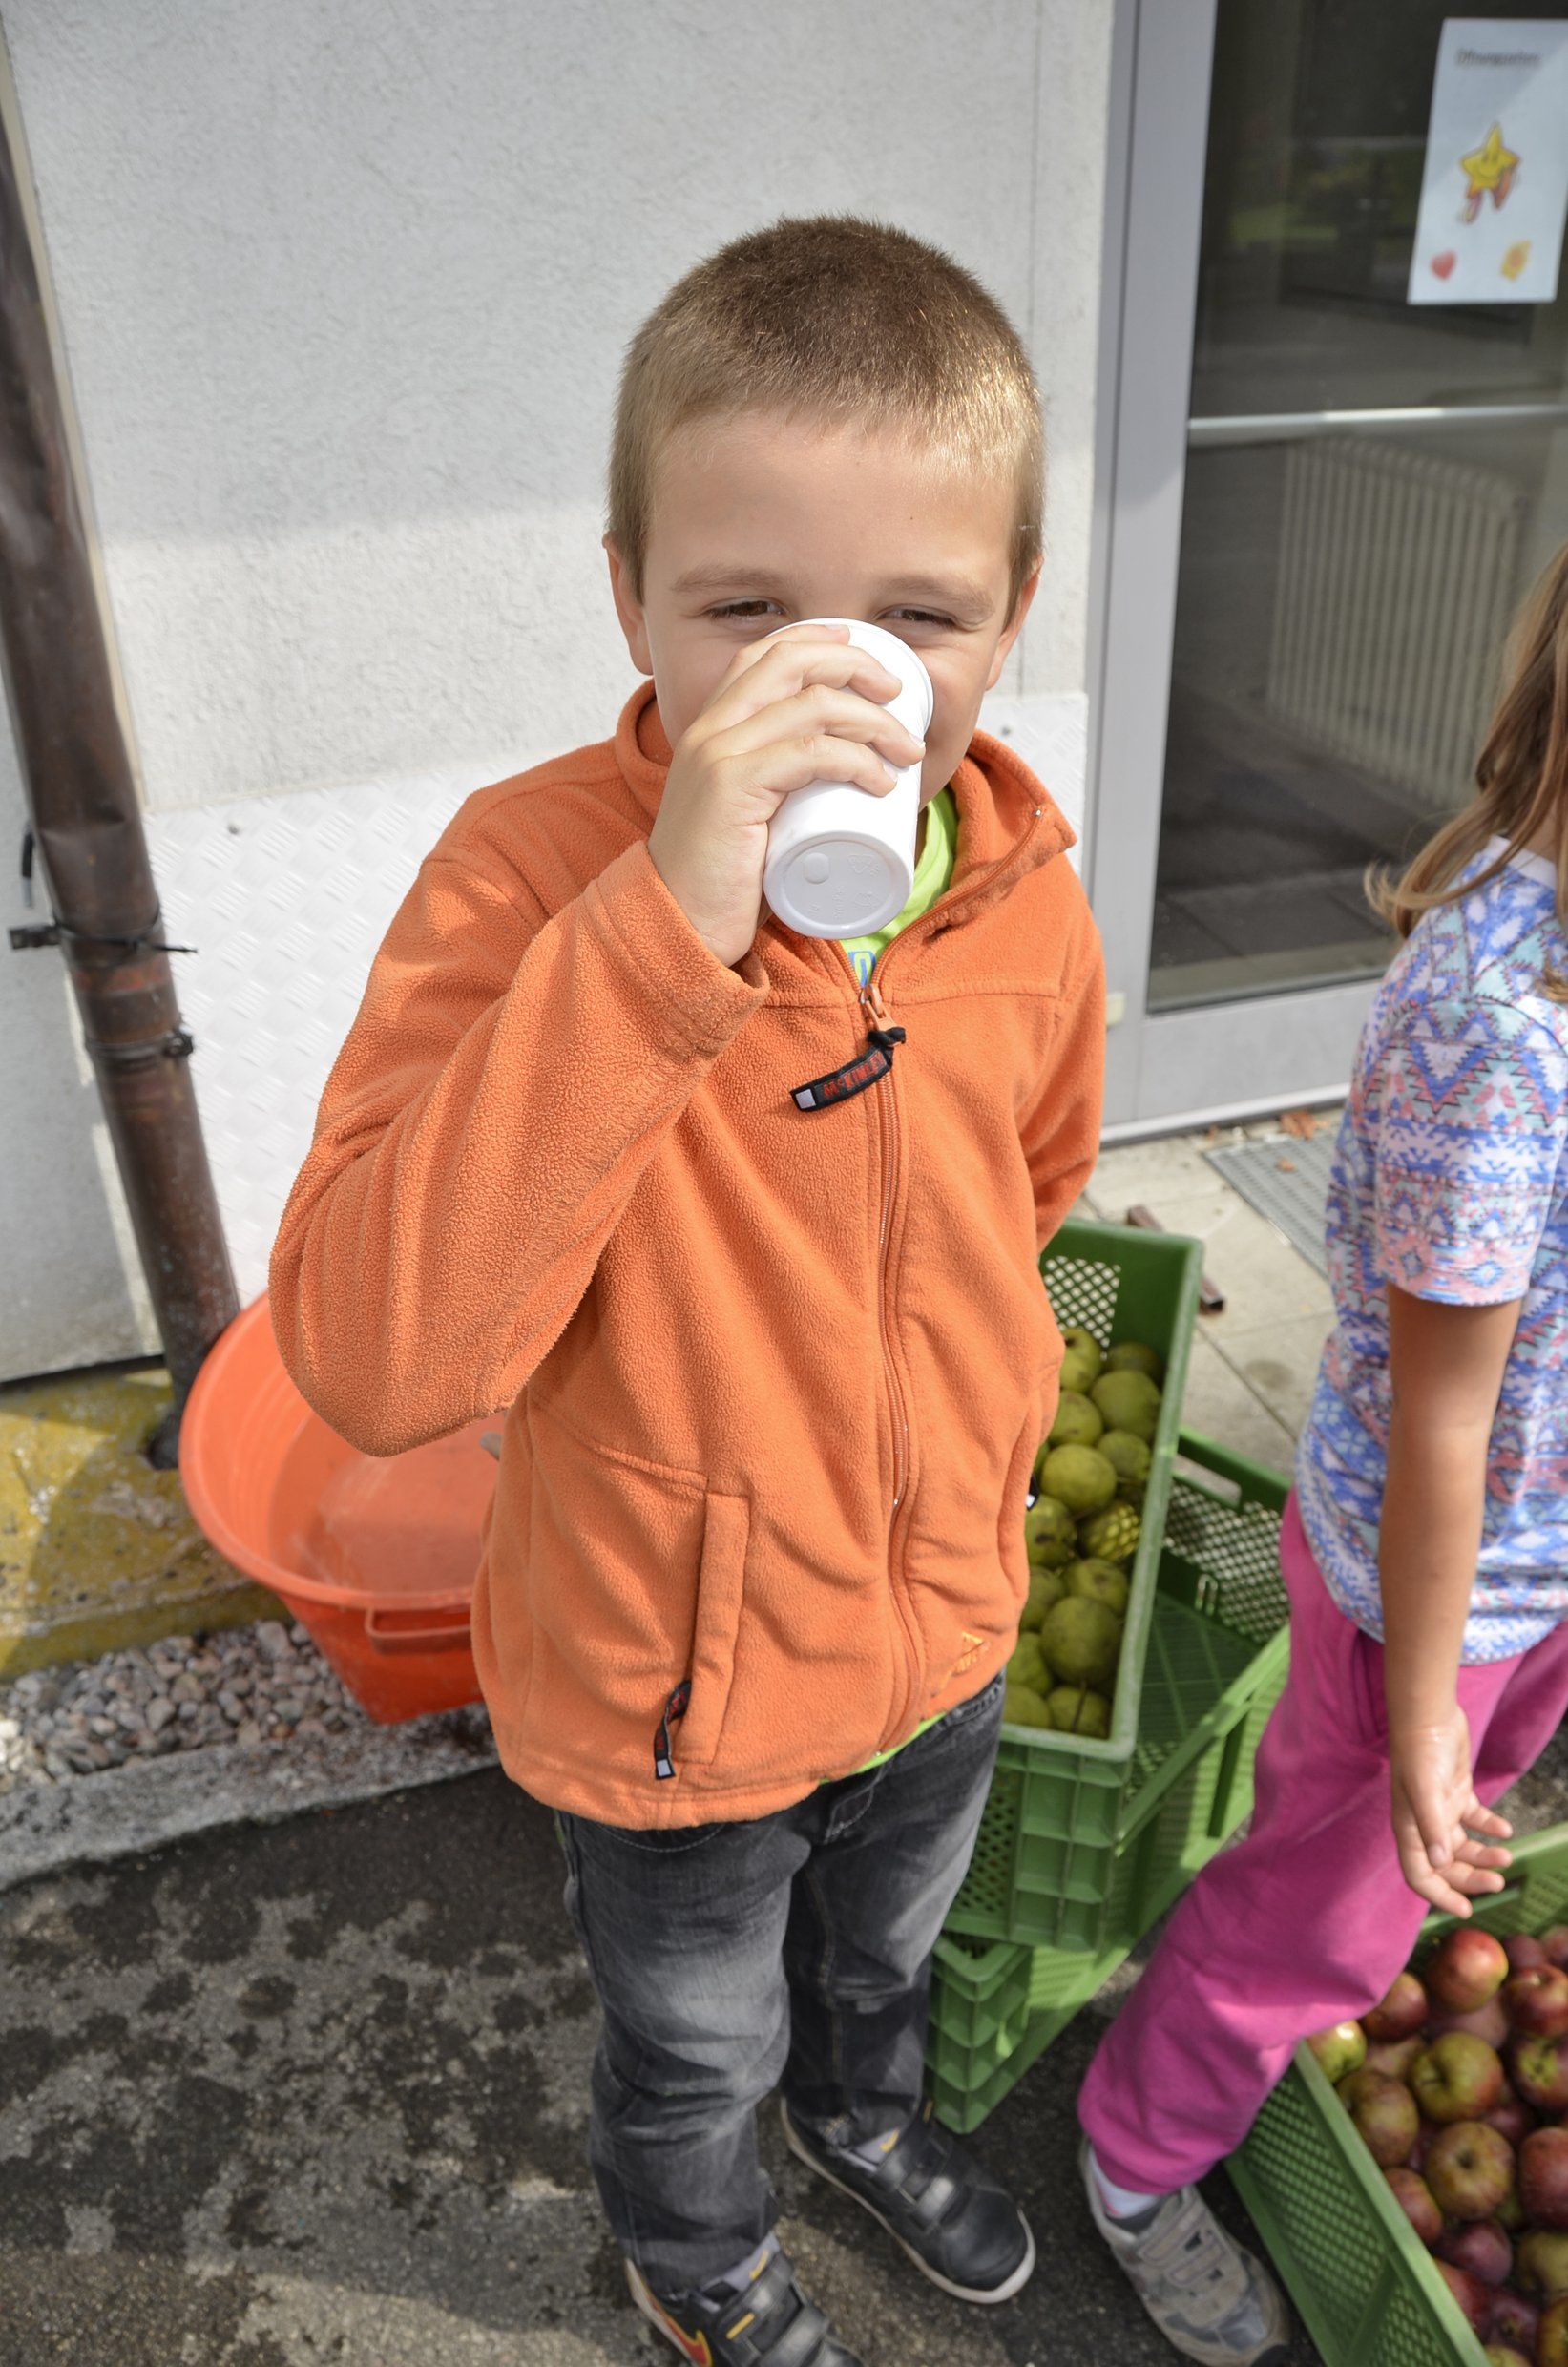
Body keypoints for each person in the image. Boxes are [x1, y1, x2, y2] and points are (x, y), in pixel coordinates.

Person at [269, 215, 1104, 2367]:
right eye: (748, 610)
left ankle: (866, 2117)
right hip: (678, 1694)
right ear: (629, 595)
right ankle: (697, 2248)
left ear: (1013, 611)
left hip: (943, 1632)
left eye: (917, 615)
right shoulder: (527, 876)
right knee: (690, 2038)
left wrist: (979, 1448)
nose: (833, 675)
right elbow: (375, 1357)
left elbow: (1032, 1189)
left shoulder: (1023, 885)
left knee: (882, 1963)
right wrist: (658, 929)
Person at [1077, 540, 1568, 2367]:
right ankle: (1135, 2160)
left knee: (1390, 1879)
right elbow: (1446, 1420)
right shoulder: (1494, 1035)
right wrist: (1425, 1705)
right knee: (1319, 1920)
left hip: (1528, 1575)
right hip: (1433, 1593)